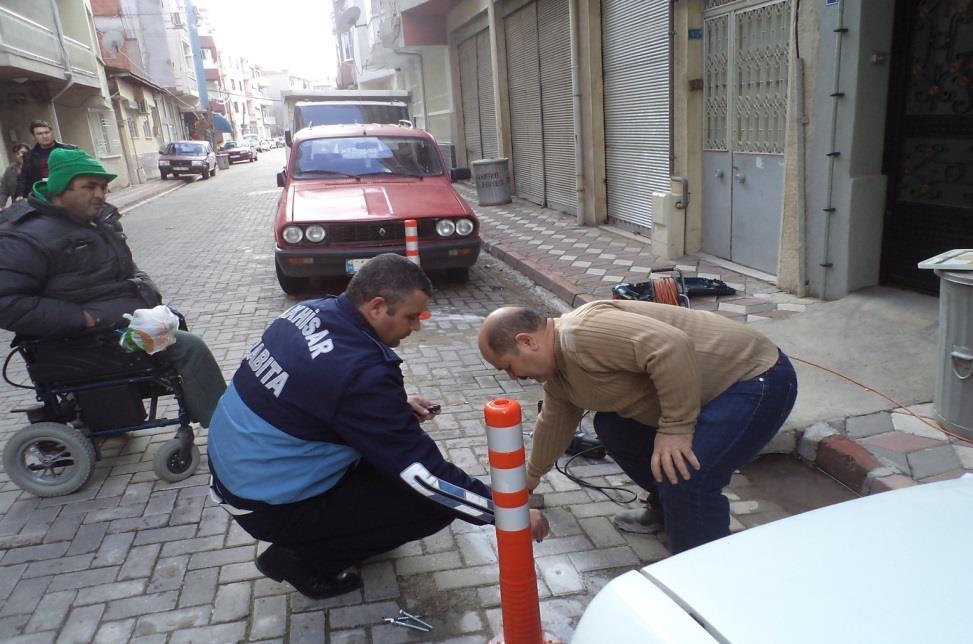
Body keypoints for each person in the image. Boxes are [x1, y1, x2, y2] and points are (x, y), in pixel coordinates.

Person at [207, 253, 549, 599]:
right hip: (267, 503)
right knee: (430, 503)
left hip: (239, 473)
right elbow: (424, 476)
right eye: (411, 317)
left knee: (388, 466)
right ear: (376, 307)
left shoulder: (308, 312)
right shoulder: (357, 374)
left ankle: (338, 533)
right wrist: (506, 513)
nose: (416, 327)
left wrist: (393, 407)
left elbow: (311, 391)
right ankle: (299, 558)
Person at [478, 300, 798, 554]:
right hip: (712, 389)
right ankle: (670, 511)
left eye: (508, 367)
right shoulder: (560, 373)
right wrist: (530, 479)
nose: (512, 377)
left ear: (527, 341)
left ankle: (702, 574)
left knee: (687, 476)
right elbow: (554, 420)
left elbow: (670, 346)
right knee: (613, 426)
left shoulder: (582, 333)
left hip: (755, 378)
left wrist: (675, 429)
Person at [0, 148, 226, 427]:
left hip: (114, 327)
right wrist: (82, 318)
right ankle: (225, 428)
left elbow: (126, 268)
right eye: (89, 186)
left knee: (175, 324)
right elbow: (7, 303)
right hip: (82, 342)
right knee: (189, 348)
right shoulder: (26, 236)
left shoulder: (94, 221)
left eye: (103, 188)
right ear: (60, 188)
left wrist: (144, 290)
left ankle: (123, 416)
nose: (100, 194)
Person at [15, 120, 77, 200]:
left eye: (47, 132)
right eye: (39, 134)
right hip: (43, 196)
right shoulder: (29, 156)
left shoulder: (70, 150)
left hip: (68, 193)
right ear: (34, 136)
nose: (44, 136)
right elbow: (24, 179)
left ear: (52, 132)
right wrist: (21, 195)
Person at [0, 143, 29, 207]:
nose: (21, 155)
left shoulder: (36, 166)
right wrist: (1, 205)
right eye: (17, 154)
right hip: (18, 205)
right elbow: (4, 191)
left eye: (23, 152)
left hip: (35, 203)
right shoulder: (10, 170)